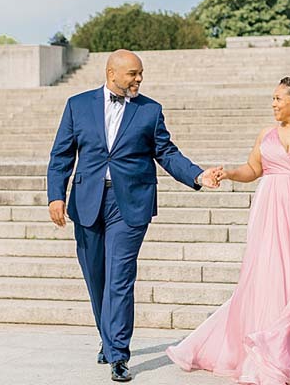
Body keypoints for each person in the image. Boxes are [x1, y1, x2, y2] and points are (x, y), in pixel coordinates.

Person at [47, 49, 221, 382]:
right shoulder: (77, 105)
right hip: (87, 201)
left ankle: (118, 354)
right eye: (133, 74)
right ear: (111, 73)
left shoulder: (149, 110)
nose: (139, 79)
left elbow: (166, 152)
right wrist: (56, 195)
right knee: (95, 276)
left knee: (120, 277)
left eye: (140, 74)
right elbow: (61, 155)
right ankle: (108, 337)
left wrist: (198, 175)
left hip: (129, 204)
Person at [166, 77, 290, 384]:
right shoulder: (266, 134)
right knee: (268, 277)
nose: (273, 104)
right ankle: (265, 350)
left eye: (278, 98)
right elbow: (253, 170)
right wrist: (228, 173)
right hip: (270, 214)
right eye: (273, 99)